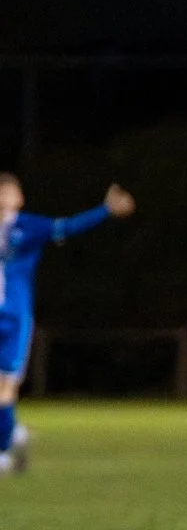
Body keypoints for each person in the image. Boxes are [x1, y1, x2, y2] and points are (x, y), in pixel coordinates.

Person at [0, 175, 136, 475]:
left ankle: (6, 447)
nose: (6, 197)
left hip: (14, 316)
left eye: (10, 192)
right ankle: (11, 439)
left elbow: (69, 226)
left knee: (6, 385)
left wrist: (105, 210)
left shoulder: (28, 227)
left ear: (19, 198)